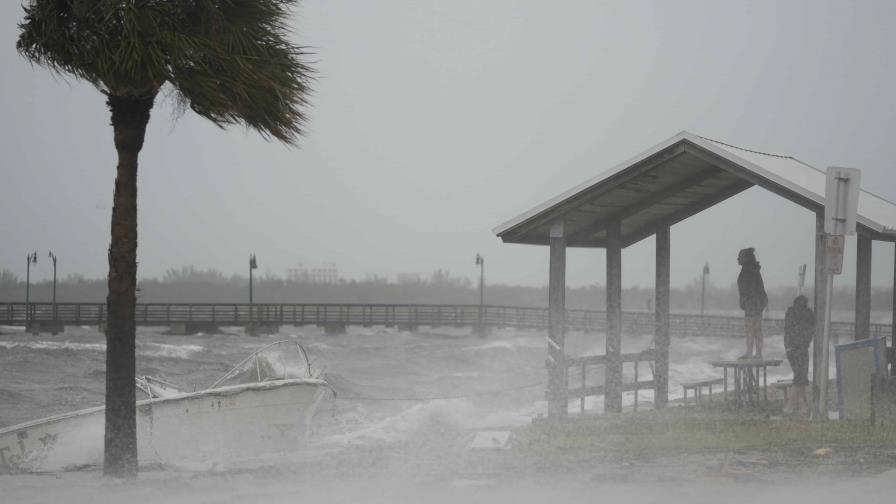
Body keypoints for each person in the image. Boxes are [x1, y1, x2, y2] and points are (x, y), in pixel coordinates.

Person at [784, 295, 814, 416]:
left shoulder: (790, 313)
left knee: (799, 375)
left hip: (791, 349)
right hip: (801, 348)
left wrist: (789, 346)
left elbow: (788, 331)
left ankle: (801, 406)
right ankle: (791, 406)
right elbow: (811, 329)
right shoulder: (807, 314)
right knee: (800, 376)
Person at [737, 247, 768, 359]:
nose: (737, 259)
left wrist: (747, 303)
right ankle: (757, 353)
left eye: (739, 257)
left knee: (751, 330)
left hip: (752, 306)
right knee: (756, 330)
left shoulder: (748, 271)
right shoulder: (753, 269)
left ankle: (751, 353)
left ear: (745, 258)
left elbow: (749, 290)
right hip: (756, 305)